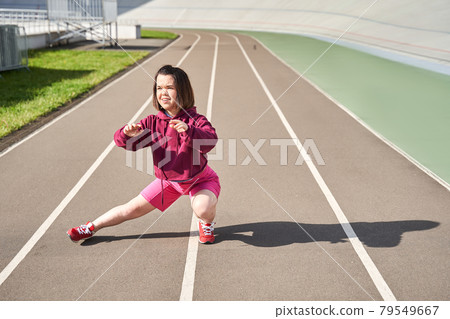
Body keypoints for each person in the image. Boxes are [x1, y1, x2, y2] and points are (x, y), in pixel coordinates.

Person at [67, 65, 220, 244]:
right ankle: (91, 227)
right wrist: (126, 134)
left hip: (200, 179)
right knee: (130, 210)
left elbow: (210, 141)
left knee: (202, 208)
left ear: (183, 91)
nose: (163, 93)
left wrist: (189, 130)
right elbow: (123, 143)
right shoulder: (152, 123)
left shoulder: (196, 120)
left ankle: (206, 223)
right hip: (169, 182)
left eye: (169, 88)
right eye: (159, 88)